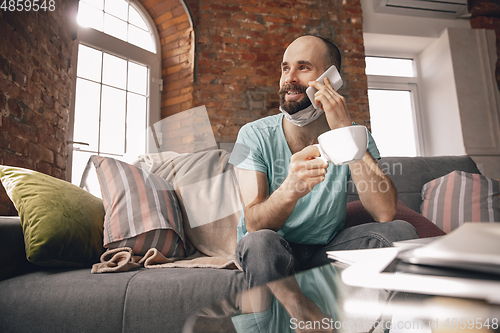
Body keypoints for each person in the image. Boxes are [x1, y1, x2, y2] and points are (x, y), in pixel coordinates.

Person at [228, 35, 418, 290]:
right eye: (285, 68)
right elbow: (254, 223)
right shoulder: (250, 134)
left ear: (331, 79)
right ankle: (302, 316)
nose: (289, 78)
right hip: (272, 248)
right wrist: (291, 188)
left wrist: (343, 130)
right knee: (258, 243)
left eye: (303, 67)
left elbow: (384, 212)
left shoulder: (356, 134)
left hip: (326, 250)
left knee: (400, 231)